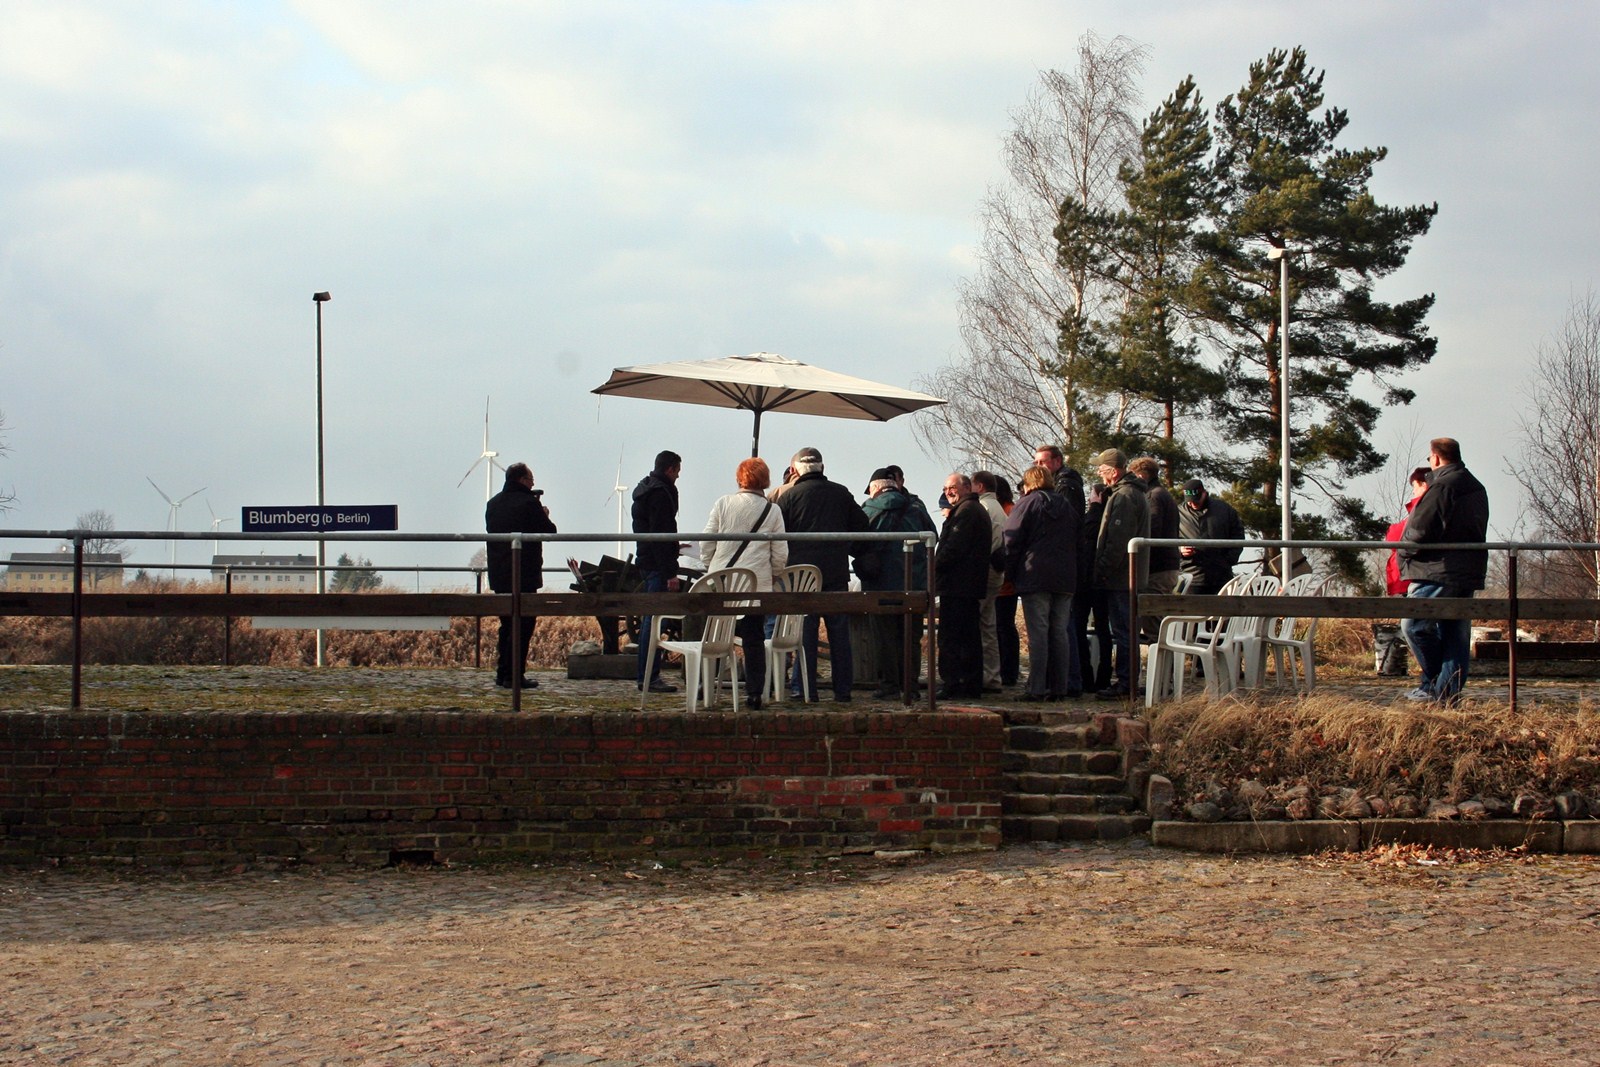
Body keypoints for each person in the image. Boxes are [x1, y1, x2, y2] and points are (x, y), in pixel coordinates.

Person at [1398, 438, 1490, 704]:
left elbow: (1420, 529)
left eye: (1429, 459)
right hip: (1467, 570)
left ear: (1436, 458)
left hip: (1436, 569)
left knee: (1414, 625)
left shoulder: (1443, 486)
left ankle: (1435, 683)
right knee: (1455, 635)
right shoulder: (1475, 486)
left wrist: (1403, 553)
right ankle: (1446, 695)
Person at [777, 446, 870, 702]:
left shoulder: (789, 497)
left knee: (805, 633)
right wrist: (845, 546)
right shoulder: (841, 493)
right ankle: (843, 690)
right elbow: (862, 525)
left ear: (795, 470)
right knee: (839, 633)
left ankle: (805, 689)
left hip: (801, 576)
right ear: (822, 467)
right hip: (835, 572)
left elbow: (777, 535)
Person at [700, 457, 788, 710]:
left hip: (723, 583)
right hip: (756, 585)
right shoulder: (773, 510)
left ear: (740, 478)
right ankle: (754, 692)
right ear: (765, 480)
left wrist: (710, 566)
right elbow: (780, 552)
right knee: (754, 639)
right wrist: (773, 574)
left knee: (716, 634)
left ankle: (706, 684)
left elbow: (707, 541)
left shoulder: (723, 503)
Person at [1003, 465, 1079, 701]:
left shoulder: (1026, 503)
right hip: (1065, 577)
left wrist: (1008, 574)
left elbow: (1011, 540)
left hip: (1035, 575)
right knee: (1059, 633)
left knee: (1038, 633)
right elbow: (1079, 539)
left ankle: (1036, 688)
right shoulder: (1066, 505)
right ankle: (1059, 687)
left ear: (1028, 483)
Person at [861, 467, 932, 700]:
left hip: (880, 584)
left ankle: (889, 686)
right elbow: (933, 536)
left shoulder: (869, 510)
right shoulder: (916, 508)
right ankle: (910, 686)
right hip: (914, 583)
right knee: (911, 637)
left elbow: (857, 544)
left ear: (875, 488)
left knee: (884, 637)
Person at [485, 462, 557, 689]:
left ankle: (502, 673)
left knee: (506, 624)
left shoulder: (493, 504)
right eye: (531, 479)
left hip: (499, 574)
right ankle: (515, 675)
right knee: (523, 626)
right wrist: (544, 514)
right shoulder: (529, 503)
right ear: (522, 480)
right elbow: (549, 531)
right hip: (524, 573)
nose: (533, 484)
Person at [1090, 448, 1149, 701]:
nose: (1099, 474)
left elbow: (1117, 541)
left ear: (1113, 472)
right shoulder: (1131, 493)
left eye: (1102, 469)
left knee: (1125, 631)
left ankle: (1126, 683)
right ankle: (1127, 680)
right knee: (1127, 630)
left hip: (1122, 578)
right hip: (1126, 576)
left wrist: (1102, 570)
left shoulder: (1124, 497)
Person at [934, 472, 989, 700]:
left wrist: (934, 565)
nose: (948, 492)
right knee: (968, 637)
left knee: (952, 637)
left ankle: (954, 683)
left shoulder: (966, 512)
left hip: (958, 585)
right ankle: (969, 683)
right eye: (945, 489)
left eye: (952, 487)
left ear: (967, 487)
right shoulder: (972, 510)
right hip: (967, 585)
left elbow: (954, 548)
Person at [632, 450, 682, 693]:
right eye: (678, 471)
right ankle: (649, 677)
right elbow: (661, 534)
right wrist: (670, 571)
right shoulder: (661, 494)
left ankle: (647, 675)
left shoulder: (644, 490)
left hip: (646, 560)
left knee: (650, 621)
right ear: (670, 469)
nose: (678, 476)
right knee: (654, 623)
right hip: (657, 565)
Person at [1129, 457, 1180, 641]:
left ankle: (1161, 658)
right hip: (1165, 566)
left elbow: (1152, 530)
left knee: (1153, 621)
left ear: (1141, 475)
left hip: (1158, 569)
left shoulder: (1153, 496)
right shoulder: (1162, 494)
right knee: (1155, 620)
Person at [971, 471, 1007, 691]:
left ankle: (977, 675)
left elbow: (983, 542)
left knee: (976, 623)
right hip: (996, 571)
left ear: (980, 486)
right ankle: (992, 675)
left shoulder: (983, 508)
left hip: (984, 570)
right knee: (988, 626)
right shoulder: (999, 509)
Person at [1178, 479, 1245, 595]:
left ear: (1204, 493)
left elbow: (1238, 535)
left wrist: (1227, 561)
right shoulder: (1178, 512)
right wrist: (1180, 550)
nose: (1193, 503)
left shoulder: (1225, 510)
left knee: (1222, 607)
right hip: (1190, 575)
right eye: (1189, 501)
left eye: (1196, 500)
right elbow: (1168, 537)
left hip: (1221, 576)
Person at [992, 475, 1021, 687]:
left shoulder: (1009, 511)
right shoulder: (1010, 510)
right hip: (1006, 581)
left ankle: (1008, 671)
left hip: (1005, 582)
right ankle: (1008, 670)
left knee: (1003, 627)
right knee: (1004, 627)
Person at [1385, 466, 1431, 595]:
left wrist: (1392, 529)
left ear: (1423, 485)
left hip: (1413, 576)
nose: (1413, 492)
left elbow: (1395, 537)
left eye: (1414, 486)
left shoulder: (1423, 508)